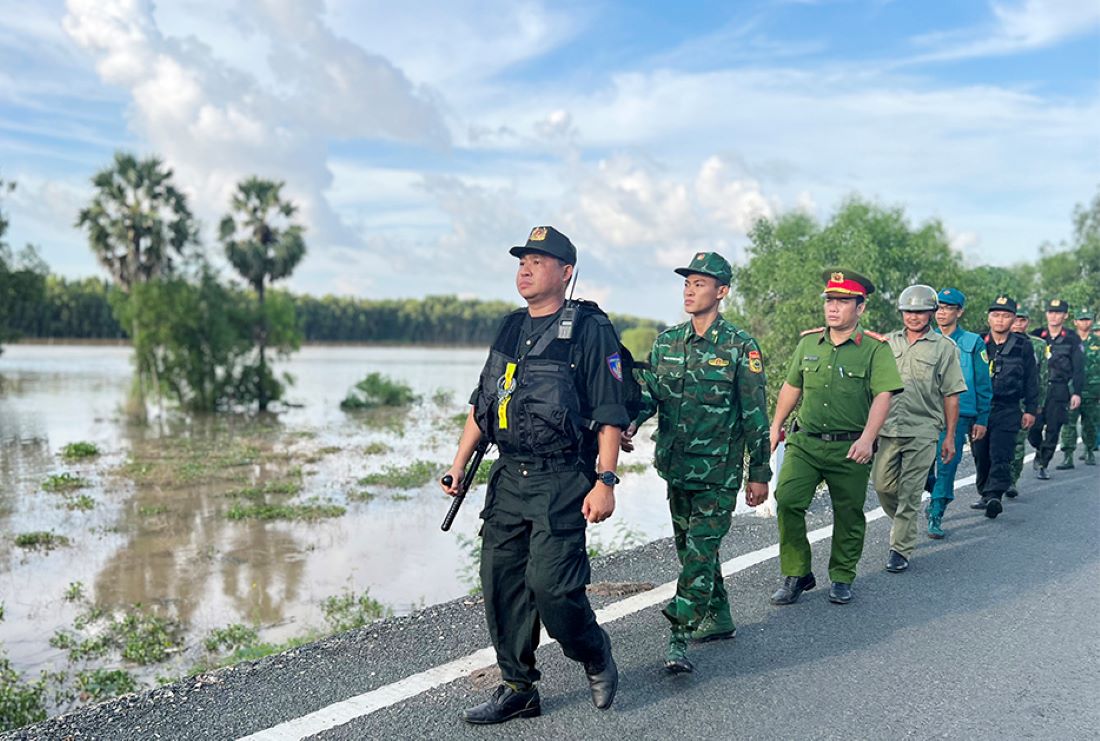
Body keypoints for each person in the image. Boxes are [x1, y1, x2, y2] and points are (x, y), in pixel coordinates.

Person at [443, 226, 628, 725]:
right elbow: (483, 405)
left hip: (562, 477)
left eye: (538, 261)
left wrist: (605, 481)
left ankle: (592, 651)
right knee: (501, 584)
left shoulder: (590, 330)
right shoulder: (508, 328)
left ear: (565, 273)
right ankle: (518, 687)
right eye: (522, 260)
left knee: (553, 588)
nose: (525, 268)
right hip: (509, 478)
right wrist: (458, 465)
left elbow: (610, 410)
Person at [622, 251, 771, 674]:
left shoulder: (741, 347)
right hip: (676, 466)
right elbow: (652, 393)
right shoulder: (667, 342)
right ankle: (719, 618)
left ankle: (678, 636)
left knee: (700, 554)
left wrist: (758, 472)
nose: (690, 290)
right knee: (691, 549)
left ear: (722, 292)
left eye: (700, 284)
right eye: (687, 283)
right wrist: (629, 423)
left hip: (718, 472)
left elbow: (755, 414)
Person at [769, 270, 903, 606]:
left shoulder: (875, 349)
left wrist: (868, 439)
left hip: (850, 446)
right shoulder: (807, 343)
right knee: (787, 500)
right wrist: (776, 426)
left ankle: (842, 576)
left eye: (843, 301)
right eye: (830, 300)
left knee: (848, 512)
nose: (833, 307)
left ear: (860, 308)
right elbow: (792, 386)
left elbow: (884, 395)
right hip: (806, 442)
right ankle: (797, 572)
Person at [872, 285, 966, 572]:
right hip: (889, 428)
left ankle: (900, 548)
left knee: (911, 491)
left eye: (920, 312)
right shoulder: (886, 342)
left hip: (923, 429)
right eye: (908, 311)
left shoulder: (945, 348)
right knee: (883, 486)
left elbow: (951, 394)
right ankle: (906, 520)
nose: (913, 317)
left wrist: (949, 437)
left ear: (931, 313)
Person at [928, 288, 991, 537]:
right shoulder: (925, 338)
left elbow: (983, 382)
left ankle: (936, 513)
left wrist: (982, 418)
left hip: (959, 412)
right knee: (918, 466)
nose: (941, 313)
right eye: (938, 307)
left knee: (946, 464)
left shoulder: (972, 342)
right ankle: (935, 493)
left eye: (948, 308)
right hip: (925, 412)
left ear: (959, 312)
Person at [971, 296, 1038, 517]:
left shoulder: (1023, 345)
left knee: (1001, 452)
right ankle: (984, 491)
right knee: (981, 454)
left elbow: (1031, 379)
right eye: (996, 315)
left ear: (1013, 319)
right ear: (989, 318)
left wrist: (1030, 409)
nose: (1001, 320)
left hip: (1008, 407)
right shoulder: (978, 342)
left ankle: (994, 496)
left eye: (1006, 315)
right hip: (981, 408)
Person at [1028, 299, 1084, 479]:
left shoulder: (1072, 338)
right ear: (1046, 314)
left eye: (1058, 312)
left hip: (1059, 389)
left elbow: (1078, 367)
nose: (1054, 316)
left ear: (1065, 316)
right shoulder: (1037, 335)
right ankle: (1038, 448)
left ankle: (1044, 462)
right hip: (1038, 389)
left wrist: (1076, 392)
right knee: (1033, 427)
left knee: (1053, 428)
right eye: (1051, 312)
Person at [1008, 307, 1048, 496]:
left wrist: (1038, 404)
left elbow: (1041, 376)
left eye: (1022, 320)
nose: (1018, 324)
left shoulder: (1038, 345)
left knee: (1017, 443)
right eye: (1015, 320)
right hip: (1000, 401)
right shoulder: (996, 341)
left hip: (1024, 402)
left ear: (1028, 322)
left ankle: (1012, 480)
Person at [1057, 308, 1098, 467]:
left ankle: (1089, 451)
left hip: (1093, 390)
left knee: (1090, 423)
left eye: (1087, 319)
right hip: (1070, 390)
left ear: (1092, 322)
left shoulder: (1097, 342)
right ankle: (1067, 456)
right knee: (1068, 424)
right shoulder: (1067, 341)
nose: (1084, 322)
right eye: (1081, 320)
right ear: (1075, 322)